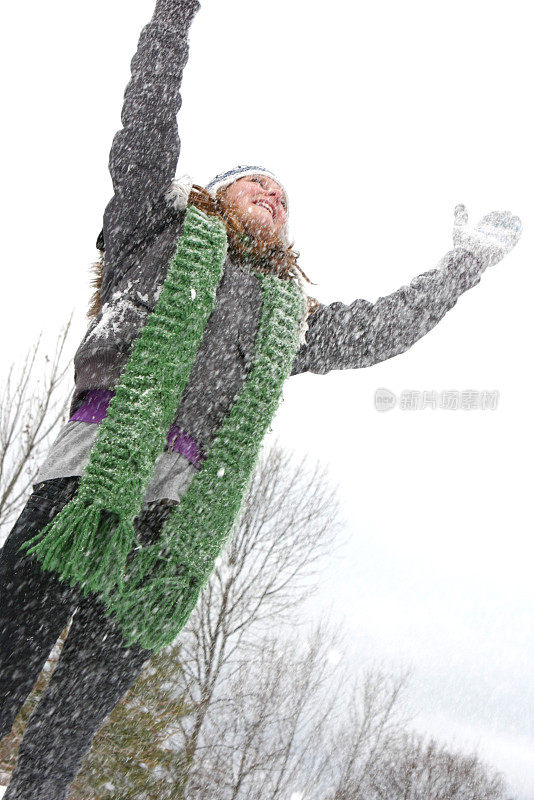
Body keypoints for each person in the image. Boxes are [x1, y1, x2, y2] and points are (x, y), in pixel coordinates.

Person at [0, 1, 522, 798]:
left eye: (285, 199)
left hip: (166, 537)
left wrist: (458, 270)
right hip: (81, 487)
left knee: (68, 727)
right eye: (258, 183)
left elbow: (382, 328)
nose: (276, 198)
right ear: (212, 193)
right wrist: (171, 18)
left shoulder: (290, 321)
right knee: (5, 662)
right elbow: (146, 119)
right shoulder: (152, 228)